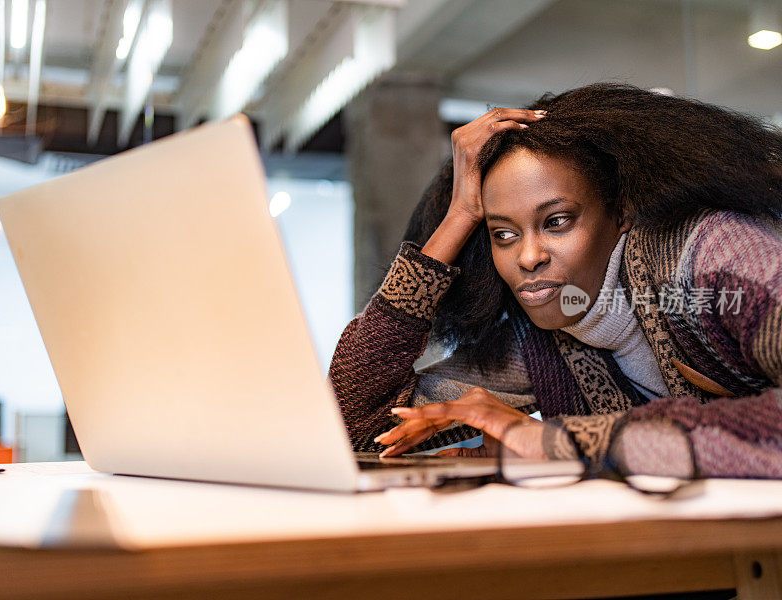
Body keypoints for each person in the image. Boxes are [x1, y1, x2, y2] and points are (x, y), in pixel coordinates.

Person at [328, 82, 782, 478]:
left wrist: (552, 443)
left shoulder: (709, 255)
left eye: (557, 222)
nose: (528, 257)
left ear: (621, 212)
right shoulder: (544, 339)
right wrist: (459, 217)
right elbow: (354, 428)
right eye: (502, 234)